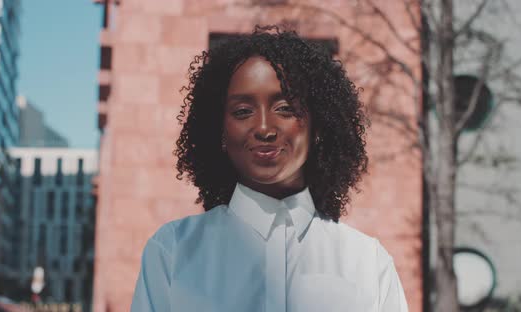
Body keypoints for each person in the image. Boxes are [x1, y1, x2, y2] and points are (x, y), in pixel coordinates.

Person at [131, 25, 408, 312]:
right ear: (221, 131)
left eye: (285, 108)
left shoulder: (368, 263)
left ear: (318, 126)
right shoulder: (173, 251)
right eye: (242, 111)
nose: (264, 128)